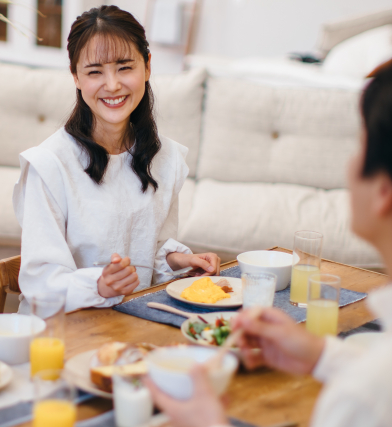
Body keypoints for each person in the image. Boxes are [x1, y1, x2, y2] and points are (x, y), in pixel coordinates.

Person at [146, 59, 392, 427]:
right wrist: (321, 354)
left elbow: (373, 391)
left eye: (359, 146)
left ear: (384, 191)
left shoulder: (357, 400)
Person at [13, 5, 221, 314]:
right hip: (64, 332)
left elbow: (149, 249)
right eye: (95, 71)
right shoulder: (49, 165)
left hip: (136, 322)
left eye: (125, 67)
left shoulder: (166, 158)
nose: (112, 85)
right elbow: (40, 284)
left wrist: (177, 260)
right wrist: (98, 286)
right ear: (76, 77)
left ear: (147, 67)